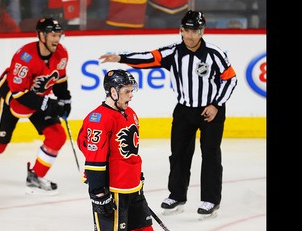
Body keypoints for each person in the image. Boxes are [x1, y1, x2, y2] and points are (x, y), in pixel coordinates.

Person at [99, 10, 238, 217]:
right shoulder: (173, 52)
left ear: (203, 31)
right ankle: (177, 196)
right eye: (187, 31)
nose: (191, 36)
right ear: (181, 30)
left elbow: (231, 79)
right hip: (184, 110)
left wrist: (216, 104)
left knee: (210, 155)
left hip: (211, 111)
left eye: (196, 31)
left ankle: (210, 200)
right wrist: (121, 58)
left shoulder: (214, 53)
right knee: (179, 154)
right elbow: (148, 57)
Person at [0, 17, 72, 194]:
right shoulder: (25, 57)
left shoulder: (61, 53)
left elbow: (59, 80)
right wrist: (47, 103)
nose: (57, 39)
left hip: (36, 98)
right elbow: (19, 93)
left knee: (57, 136)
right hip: (11, 97)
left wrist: (65, 99)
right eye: (53, 35)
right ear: (41, 36)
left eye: (59, 35)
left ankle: (35, 177)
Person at [77, 69, 156, 231]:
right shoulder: (99, 118)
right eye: (127, 91)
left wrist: (135, 176)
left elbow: (129, 152)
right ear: (113, 91)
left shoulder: (130, 113)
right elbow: (93, 158)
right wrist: (98, 193)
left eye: (132, 90)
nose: (131, 95)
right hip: (111, 192)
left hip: (133, 189)